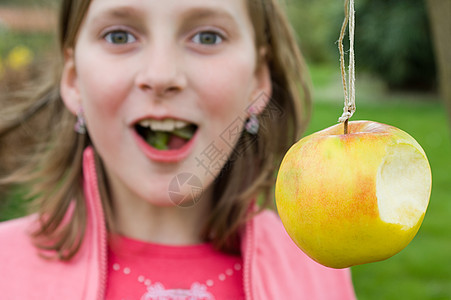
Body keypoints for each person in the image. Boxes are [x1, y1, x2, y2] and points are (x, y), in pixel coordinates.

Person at [0, 0, 356, 299]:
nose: (162, 75)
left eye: (207, 36)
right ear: (73, 78)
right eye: (119, 36)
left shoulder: (317, 270)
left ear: (257, 80)